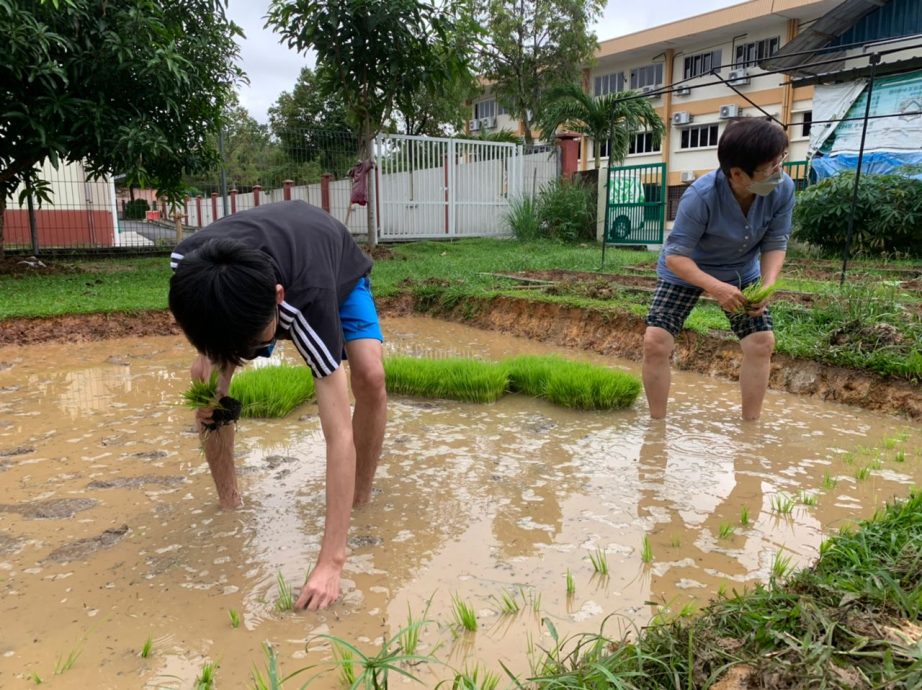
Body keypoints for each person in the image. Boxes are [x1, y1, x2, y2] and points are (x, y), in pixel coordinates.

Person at [168, 200, 387, 611]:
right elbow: (207, 350)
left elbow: (338, 435)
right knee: (206, 383)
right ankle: (229, 500)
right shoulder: (187, 266)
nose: (255, 354)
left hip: (332, 268)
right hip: (244, 283)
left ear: (279, 299)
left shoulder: (310, 303)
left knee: (370, 376)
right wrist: (217, 380)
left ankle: (359, 500)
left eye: (256, 343)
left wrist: (330, 563)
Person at [642, 118, 794, 421]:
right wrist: (716, 287)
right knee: (655, 342)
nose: (779, 173)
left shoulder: (783, 189)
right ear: (737, 173)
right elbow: (675, 257)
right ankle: (657, 425)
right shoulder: (700, 197)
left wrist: (768, 285)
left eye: (780, 163)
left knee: (761, 342)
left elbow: (776, 242)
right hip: (686, 270)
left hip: (740, 269)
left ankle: (750, 426)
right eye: (770, 169)